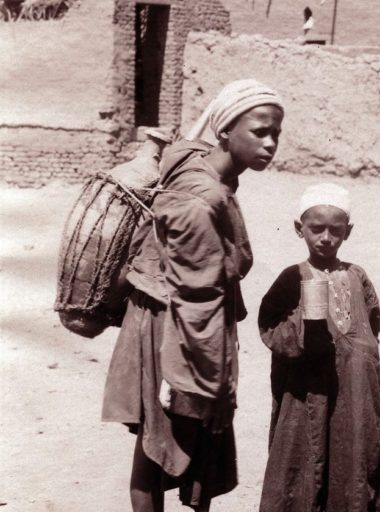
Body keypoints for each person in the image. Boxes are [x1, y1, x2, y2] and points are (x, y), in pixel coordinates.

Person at [101, 79, 285, 511]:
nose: (271, 143)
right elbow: (197, 295)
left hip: (181, 316)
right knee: (165, 442)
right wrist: (213, 386)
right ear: (224, 131)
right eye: (260, 131)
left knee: (185, 445)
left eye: (276, 132)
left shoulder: (201, 166)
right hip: (177, 328)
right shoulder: (200, 198)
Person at [258, 183, 380, 512]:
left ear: (347, 232)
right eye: (316, 229)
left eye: (335, 230)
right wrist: (304, 332)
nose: (325, 237)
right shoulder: (291, 278)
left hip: (355, 393)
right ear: (299, 229)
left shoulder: (357, 276)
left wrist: (366, 368)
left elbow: (371, 325)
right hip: (305, 395)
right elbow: (269, 326)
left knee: (355, 464)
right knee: (301, 467)